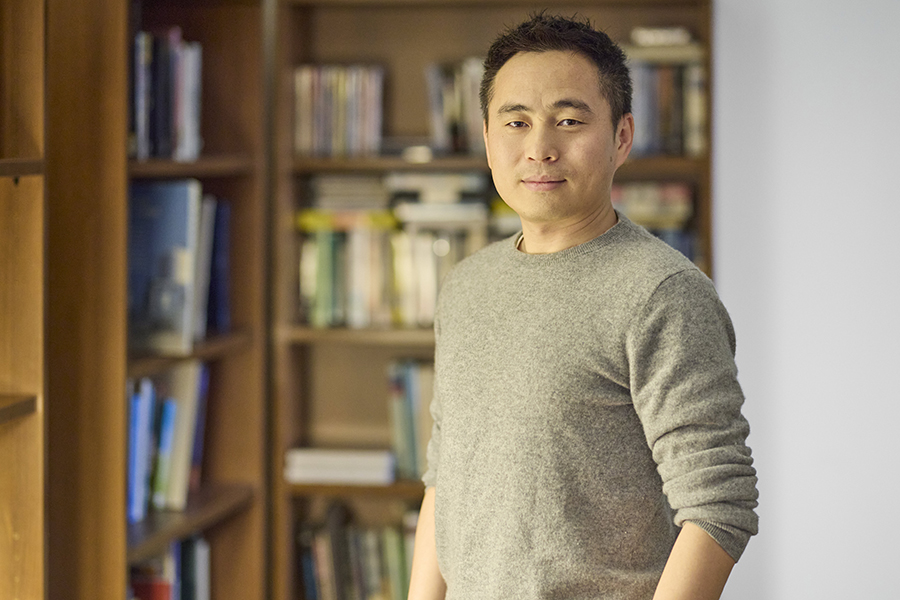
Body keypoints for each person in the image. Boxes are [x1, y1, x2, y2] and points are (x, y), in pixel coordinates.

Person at [407, 12, 759, 600]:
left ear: (621, 137)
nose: (540, 148)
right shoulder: (465, 286)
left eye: (568, 121)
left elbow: (719, 504)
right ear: (488, 138)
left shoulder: (663, 293)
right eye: (516, 122)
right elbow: (444, 478)